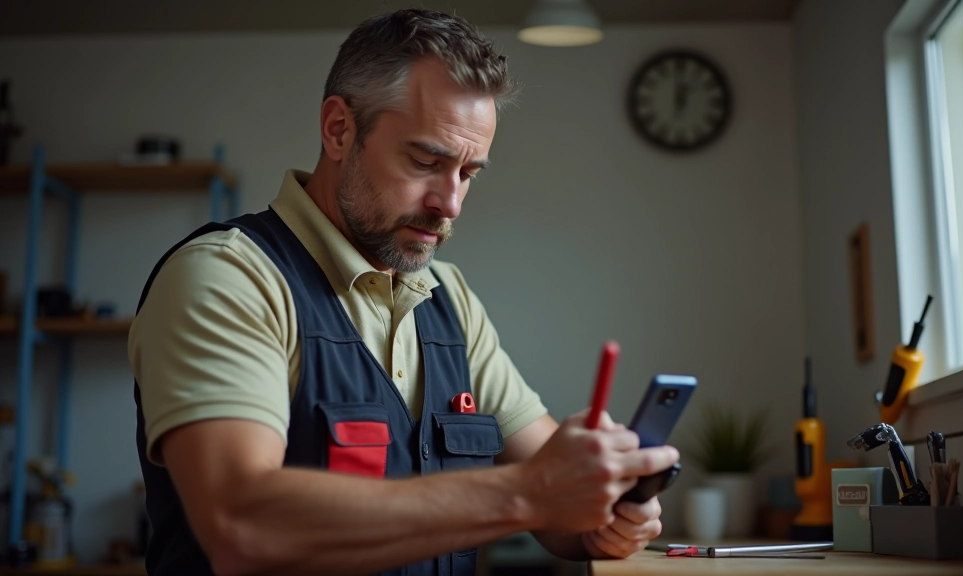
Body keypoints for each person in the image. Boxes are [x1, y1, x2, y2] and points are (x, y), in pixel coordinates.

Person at [128, 8, 679, 576]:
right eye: (425, 161)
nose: (451, 203)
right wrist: (530, 492)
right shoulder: (229, 278)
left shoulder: (449, 299)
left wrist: (603, 513)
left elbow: (556, 502)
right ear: (339, 129)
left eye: (468, 174)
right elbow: (241, 525)